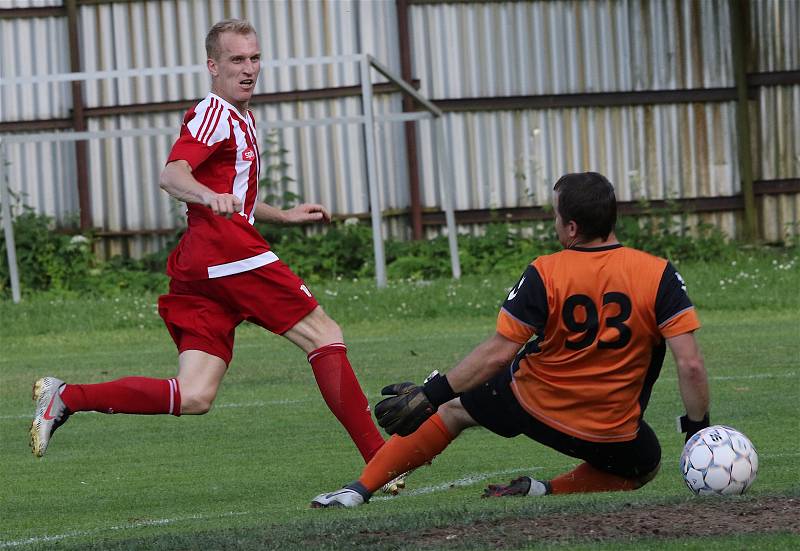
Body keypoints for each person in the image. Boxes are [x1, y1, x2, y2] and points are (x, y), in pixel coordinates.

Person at [29, 19, 389, 476]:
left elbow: (233, 195)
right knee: (324, 334)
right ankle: (383, 462)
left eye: (255, 58)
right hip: (227, 253)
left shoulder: (241, 117)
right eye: (237, 59)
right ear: (212, 66)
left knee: (195, 394)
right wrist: (203, 194)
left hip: (204, 263)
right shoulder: (213, 113)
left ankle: (66, 397)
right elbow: (173, 175)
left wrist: (284, 215)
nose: (249, 68)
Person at [311, 171, 711, 508]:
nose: (554, 223)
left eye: (556, 216)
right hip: (610, 430)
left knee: (453, 410)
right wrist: (698, 430)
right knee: (645, 464)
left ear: (571, 227)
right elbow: (689, 363)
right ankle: (545, 490)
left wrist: (433, 393)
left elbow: (498, 353)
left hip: (533, 404)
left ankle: (356, 491)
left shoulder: (546, 271)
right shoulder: (658, 274)